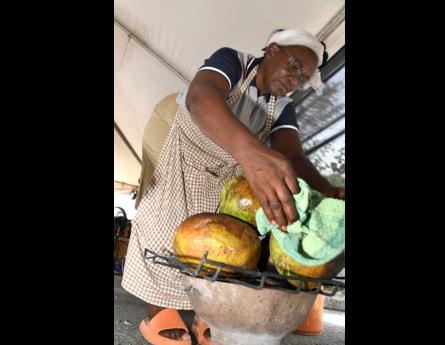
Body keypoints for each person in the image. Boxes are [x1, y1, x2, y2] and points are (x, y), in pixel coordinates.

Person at [121, 28, 345, 345]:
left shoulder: (283, 107)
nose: (295, 80)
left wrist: (329, 189)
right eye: (295, 66)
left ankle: (206, 311)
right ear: (272, 49)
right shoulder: (233, 62)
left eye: (303, 78)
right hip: (179, 132)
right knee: (164, 209)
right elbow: (201, 97)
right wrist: (251, 153)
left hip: (227, 155)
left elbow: (292, 154)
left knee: (215, 223)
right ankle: (158, 309)